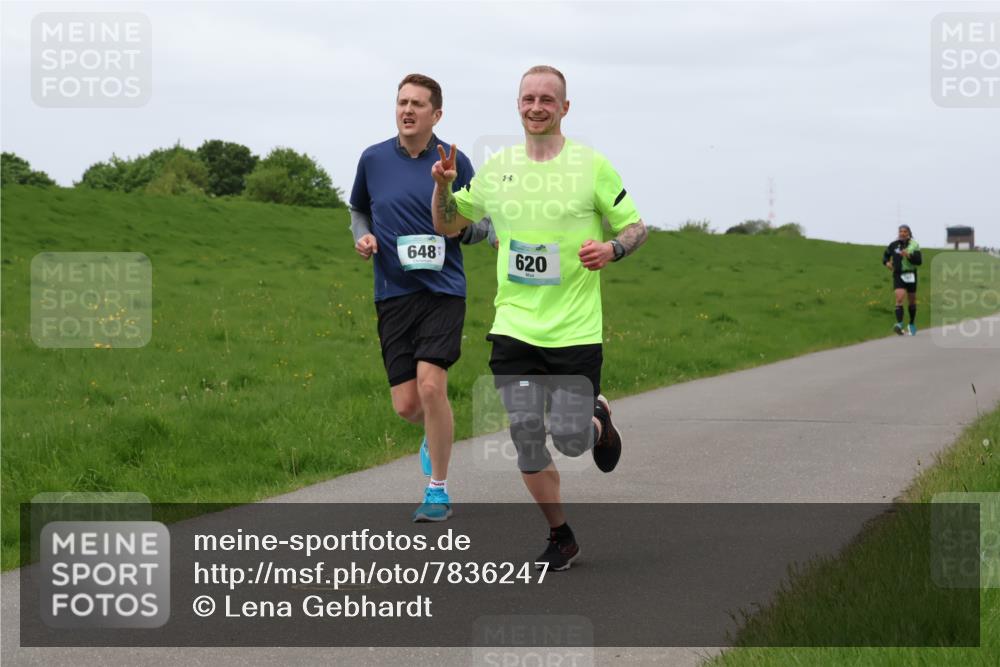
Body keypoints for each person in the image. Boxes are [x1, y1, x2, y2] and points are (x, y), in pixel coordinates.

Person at [430, 65, 648, 570]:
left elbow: (636, 226)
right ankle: (560, 535)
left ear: (564, 108)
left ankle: (599, 421)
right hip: (515, 325)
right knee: (526, 435)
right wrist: (442, 186)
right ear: (517, 104)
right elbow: (447, 223)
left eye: (547, 99)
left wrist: (613, 248)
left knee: (571, 440)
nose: (536, 107)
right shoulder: (498, 169)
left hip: (574, 328)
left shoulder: (592, 166)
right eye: (528, 98)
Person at [349, 73, 492, 522]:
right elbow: (358, 209)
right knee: (408, 405)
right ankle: (434, 432)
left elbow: (482, 225)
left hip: (442, 290)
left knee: (432, 386)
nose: (407, 110)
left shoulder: (455, 161)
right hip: (392, 293)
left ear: (436, 114)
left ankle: (438, 491)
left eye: (417, 104)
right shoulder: (372, 159)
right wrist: (365, 236)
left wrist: (460, 227)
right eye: (401, 102)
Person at [882, 224, 922, 336]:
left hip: (911, 275)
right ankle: (899, 325)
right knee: (899, 298)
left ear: (908, 233)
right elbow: (885, 256)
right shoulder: (893, 245)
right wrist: (887, 263)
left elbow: (919, 261)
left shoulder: (914, 245)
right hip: (898, 274)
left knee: (912, 301)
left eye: (905, 231)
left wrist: (909, 256)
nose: (902, 233)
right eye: (900, 231)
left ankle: (911, 323)